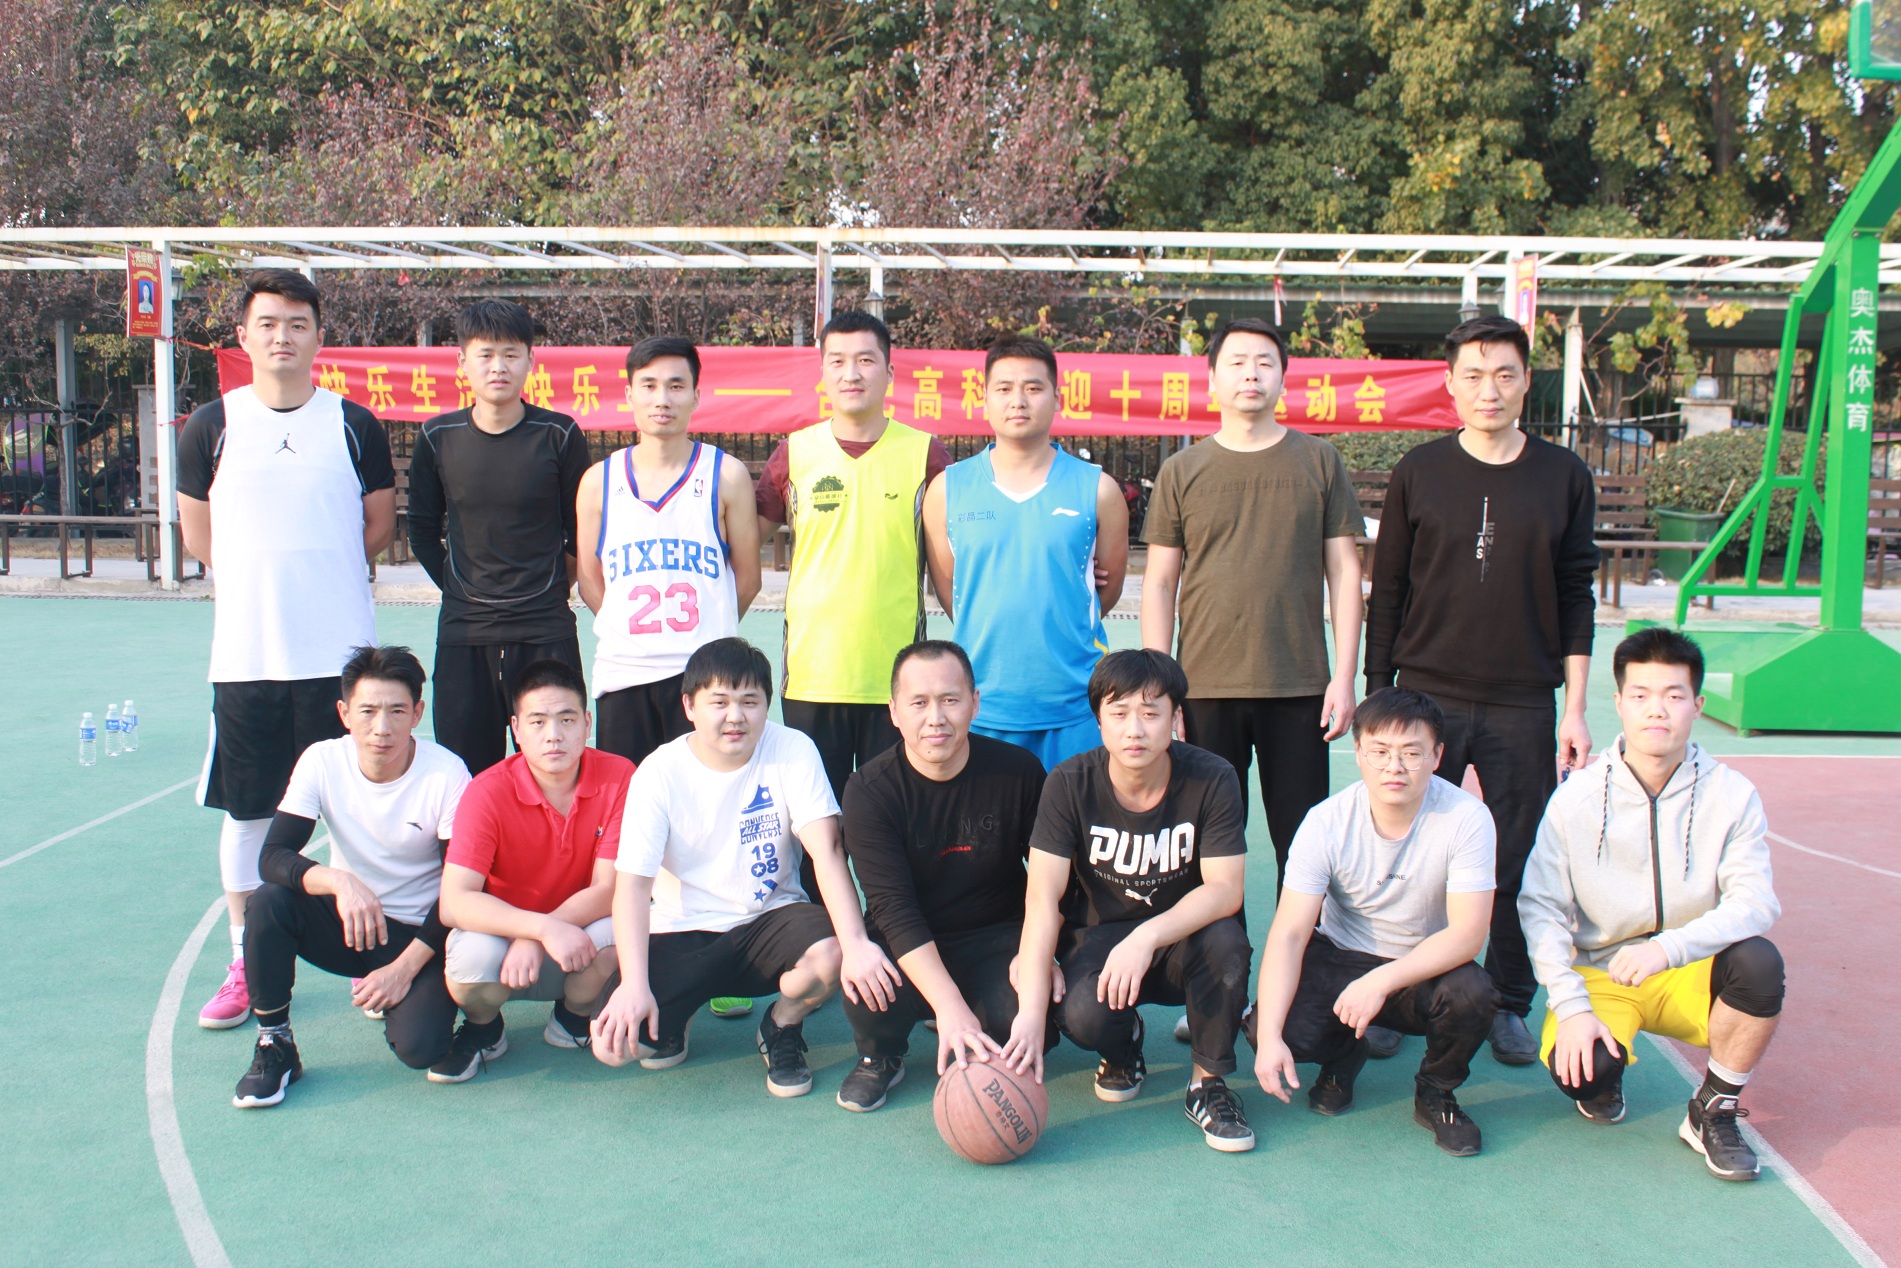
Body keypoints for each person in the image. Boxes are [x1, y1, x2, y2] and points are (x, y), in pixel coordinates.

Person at [1363, 313, 1598, 1066]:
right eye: (1473, 375)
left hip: (1521, 699)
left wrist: (1575, 708)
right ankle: (1395, 994)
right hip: (1425, 692)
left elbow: (1576, 594)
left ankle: (1508, 1002)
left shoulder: (1563, 476)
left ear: (1527, 382)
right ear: (1450, 384)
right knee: (1403, 849)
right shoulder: (1420, 470)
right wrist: (1378, 695)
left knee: (1518, 857)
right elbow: (1387, 589)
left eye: (1503, 374)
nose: (1488, 389)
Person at [177, 268, 396, 1030]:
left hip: (341, 663)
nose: (282, 337)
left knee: (355, 810)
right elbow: (199, 537)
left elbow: (376, 527)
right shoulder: (211, 426)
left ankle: (366, 953)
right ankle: (246, 959)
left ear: (318, 337)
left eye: (297, 323)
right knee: (249, 816)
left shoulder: (353, 424)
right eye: (268, 323)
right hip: (248, 661)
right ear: (243, 336)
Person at [1520, 628, 1784, 1182]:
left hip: (1689, 968)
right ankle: (1607, 1071)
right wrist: (1570, 1007)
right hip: (1602, 971)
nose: (1656, 710)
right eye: (1640, 695)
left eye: (1673, 695)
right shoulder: (1576, 798)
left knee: (1760, 963)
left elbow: (1756, 901)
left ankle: (1713, 1109)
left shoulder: (1731, 794)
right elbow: (1540, 908)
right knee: (1582, 1073)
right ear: (1618, 702)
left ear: (1698, 705)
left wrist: (1669, 948)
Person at [590, 638, 901, 1098]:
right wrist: (635, 985)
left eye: (749, 701)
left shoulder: (792, 748)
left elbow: (827, 852)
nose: (735, 716)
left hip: (771, 920)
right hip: (683, 929)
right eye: (719, 702)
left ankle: (781, 1024)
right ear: (689, 706)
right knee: (614, 1047)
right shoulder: (658, 772)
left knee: (835, 953)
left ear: (766, 705)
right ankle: (678, 1014)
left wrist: (856, 943)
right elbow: (633, 887)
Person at [1002, 649, 1255, 1153]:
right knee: (1081, 1014)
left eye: (1150, 712)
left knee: (1227, 943)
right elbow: (1043, 898)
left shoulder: (1212, 777)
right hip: (1098, 938)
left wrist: (1147, 937)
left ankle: (1207, 1085)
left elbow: (1225, 889)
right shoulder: (1068, 783)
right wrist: (1030, 1010)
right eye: (1118, 713)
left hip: (1183, 935)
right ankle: (1124, 1046)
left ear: (1176, 718)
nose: (1134, 730)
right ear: (1099, 721)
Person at [1140, 318, 1362, 881]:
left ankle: (1306, 941)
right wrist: (1161, 687)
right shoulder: (1182, 470)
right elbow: (1160, 583)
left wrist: (1344, 677)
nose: (1251, 374)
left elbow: (1343, 572)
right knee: (1210, 847)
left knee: (1305, 845)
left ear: (1283, 377)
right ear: (1212, 378)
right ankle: (1218, 942)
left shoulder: (1319, 460)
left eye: (1265, 363)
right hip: (1204, 688)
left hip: (1300, 687)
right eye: (1236, 362)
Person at [1249, 688, 1499, 1156]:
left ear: (1437, 755)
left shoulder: (1467, 818)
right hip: (1341, 953)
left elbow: (1468, 934)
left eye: (1411, 753)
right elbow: (1290, 934)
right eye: (1380, 751)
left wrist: (1380, 981)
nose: (1394, 767)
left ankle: (1436, 1091)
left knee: (1473, 993)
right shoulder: (1326, 822)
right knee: (1274, 1025)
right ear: (1359, 751)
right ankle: (1343, 1056)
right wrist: (1267, 1040)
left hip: (1422, 962)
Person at [232, 645, 470, 1108]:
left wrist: (402, 971)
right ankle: (275, 1043)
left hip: (421, 934)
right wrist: (340, 882)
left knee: (422, 1048)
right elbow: (273, 856)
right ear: (344, 713)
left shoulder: (446, 774)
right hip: (351, 924)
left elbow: (460, 886)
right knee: (268, 901)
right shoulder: (322, 761)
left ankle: (418, 998)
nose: (382, 727)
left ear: (417, 713)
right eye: (368, 711)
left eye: (397, 711)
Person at [834, 640, 1050, 1111]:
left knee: (1034, 1015)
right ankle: (881, 1056)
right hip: (912, 935)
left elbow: (1052, 882)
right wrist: (949, 1005)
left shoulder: (1019, 772)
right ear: (894, 712)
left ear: (975, 703)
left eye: (950, 699)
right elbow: (893, 908)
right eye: (919, 703)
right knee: (868, 989)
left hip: (998, 934)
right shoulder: (869, 790)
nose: (936, 718)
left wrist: (1039, 955)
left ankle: (980, 1021)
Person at [755, 311, 952, 802]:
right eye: (838, 361)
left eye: (866, 360)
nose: (851, 373)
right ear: (822, 372)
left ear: (889, 372)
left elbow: (960, 556)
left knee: (896, 818)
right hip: (813, 676)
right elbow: (740, 539)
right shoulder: (793, 454)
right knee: (817, 822)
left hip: (901, 680)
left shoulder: (926, 455)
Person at [921, 337, 1128, 771]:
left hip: (1075, 706)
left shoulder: (1098, 489)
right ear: (984, 399)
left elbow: (1104, 591)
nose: (1018, 400)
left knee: (1074, 817)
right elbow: (953, 592)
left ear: (1057, 398)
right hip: (981, 708)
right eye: (1004, 388)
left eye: (1033, 388)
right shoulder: (947, 490)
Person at [405, 299, 591, 775]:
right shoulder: (436, 436)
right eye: (485, 354)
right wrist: (459, 587)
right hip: (465, 632)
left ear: (531, 360)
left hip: (545, 628)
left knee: (553, 766)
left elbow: (581, 531)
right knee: (466, 772)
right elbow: (422, 531)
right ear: (462, 361)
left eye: (511, 354)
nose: (498, 367)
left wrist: (552, 586)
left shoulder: (560, 435)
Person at [434, 660, 632, 1083]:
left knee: (626, 931)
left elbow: (609, 888)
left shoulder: (619, 776)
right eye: (538, 721)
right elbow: (454, 902)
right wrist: (537, 930)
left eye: (567, 719)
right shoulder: (486, 791)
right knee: (470, 956)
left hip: (574, 940)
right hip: (506, 946)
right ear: (516, 729)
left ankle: (573, 1017)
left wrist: (541, 933)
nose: (553, 735)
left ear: (588, 723)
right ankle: (485, 1028)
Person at [578, 336, 760, 766]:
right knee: (629, 796)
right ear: (629, 394)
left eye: (676, 386)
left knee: (707, 795)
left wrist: (710, 626)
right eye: (649, 385)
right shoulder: (599, 481)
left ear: (696, 396)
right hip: (624, 674)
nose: (662, 399)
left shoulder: (726, 475)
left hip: (704, 678)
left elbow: (748, 579)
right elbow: (589, 581)